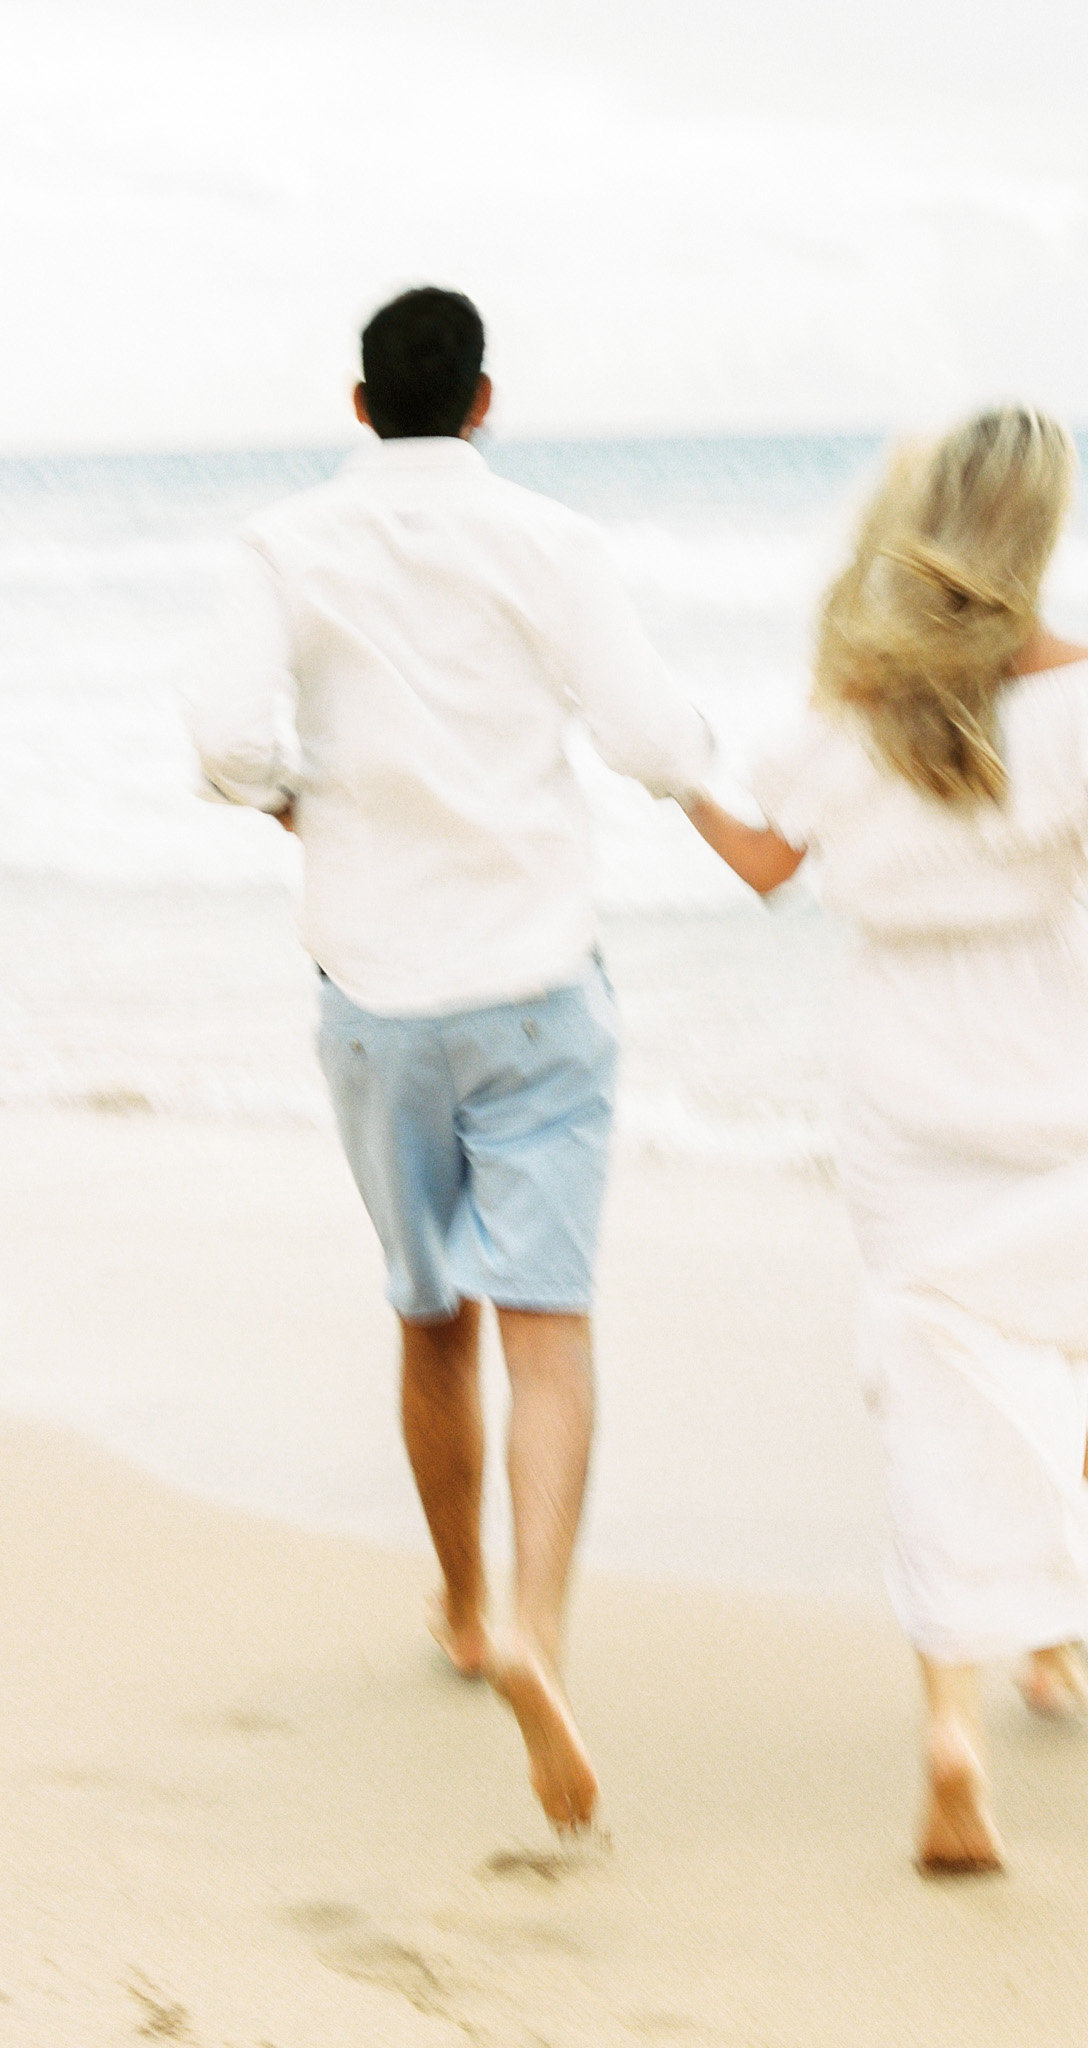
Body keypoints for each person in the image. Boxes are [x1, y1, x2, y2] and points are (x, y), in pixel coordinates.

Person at [190, 286, 712, 1835]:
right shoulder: (554, 545)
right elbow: (661, 747)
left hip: (379, 988)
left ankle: (465, 1605)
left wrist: (302, 800)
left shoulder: (285, 547)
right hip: (538, 981)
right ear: (487, 401)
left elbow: (220, 737)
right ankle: (539, 1638)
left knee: (432, 1320)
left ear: (361, 407)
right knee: (548, 1330)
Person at [680, 409, 1088, 1874]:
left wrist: (673, 773)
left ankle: (951, 1723)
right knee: (1061, 1323)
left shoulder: (850, 705)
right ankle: (1050, 1642)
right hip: (1060, 1045)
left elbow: (761, 866)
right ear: (1041, 529)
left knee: (931, 1361)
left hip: (903, 1067)